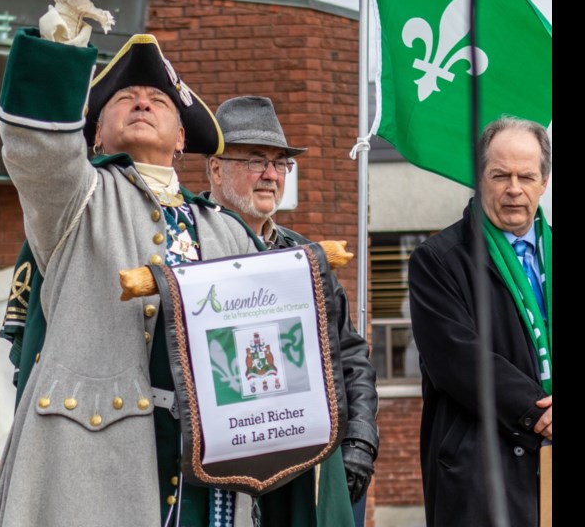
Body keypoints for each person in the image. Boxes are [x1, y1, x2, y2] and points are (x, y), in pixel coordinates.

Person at [0, 0, 342, 527]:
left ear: (183, 140)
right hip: (98, 466)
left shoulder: (226, 230)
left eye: (158, 100)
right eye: (124, 98)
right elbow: (38, 151)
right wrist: (66, 30)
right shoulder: (76, 201)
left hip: (211, 477)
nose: (143, 100)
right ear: (94, 133)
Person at [205, 96, 379, 526]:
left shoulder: (306, 256)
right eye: (254, 160)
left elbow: (351, 357)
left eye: (280, 163)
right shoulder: (188, 251)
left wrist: (359, 441)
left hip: (311, 469)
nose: (270, 175)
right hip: (218, 475)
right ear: (215, 168)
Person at [407, 116, 552, 527]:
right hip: (482, 476)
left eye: (526, 176)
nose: (513, 189)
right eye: (499, 175)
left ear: (543, 182)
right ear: (479, 178)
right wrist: (539, 414)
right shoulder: (438, 260)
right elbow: (457, 360)